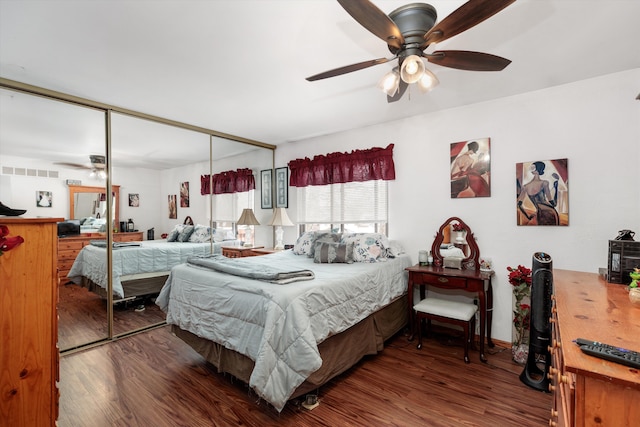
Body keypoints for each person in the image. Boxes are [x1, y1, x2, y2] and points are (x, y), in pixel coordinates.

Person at [517, 161, 559, 225]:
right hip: (550, 212)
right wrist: (556, 188)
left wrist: (528, 217)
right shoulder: (544, 183)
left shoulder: (525, 186)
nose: (531, 169)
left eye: (533, 167)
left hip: (539, 214)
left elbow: (519, 204)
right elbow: (553, 204)